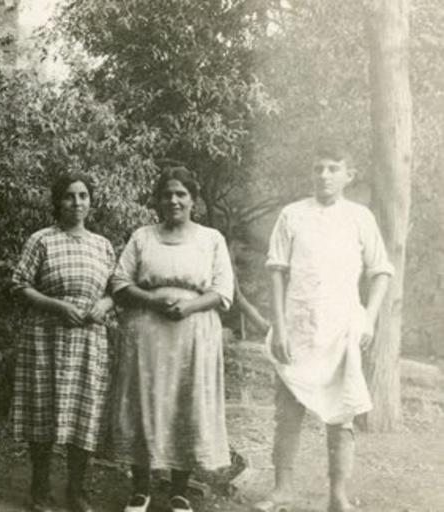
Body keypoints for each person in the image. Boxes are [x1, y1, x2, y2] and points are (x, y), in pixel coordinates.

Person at [252, 146, 392, 512]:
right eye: (318, 169)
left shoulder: (360, 217)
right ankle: (283, 489)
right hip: (297, 326)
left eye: (333, 169)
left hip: (341, 328)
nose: (324, 176)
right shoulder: (292, 214)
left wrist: (368, 318)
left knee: (341, 414)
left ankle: (337, 495)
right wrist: (280, 327)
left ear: (349, 175)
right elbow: (277, 271)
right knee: (288, 412)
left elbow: (380, 271)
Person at [110, 167, 234, 512]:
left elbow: (223, 290)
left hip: (194, 332)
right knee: (144, 403)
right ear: (158, 200)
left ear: (194, 200)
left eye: (181, 194)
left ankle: (179, 491)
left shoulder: (211, 239)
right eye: (167, 194)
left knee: (186, 402)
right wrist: (152, 300)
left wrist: (190, 305)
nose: (174, 200)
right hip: (146, 332)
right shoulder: (142, 237)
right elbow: (119, 282)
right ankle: (141, 489)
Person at [10, 174, 116, 512]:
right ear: (58, 202)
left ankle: (76, 490)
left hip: (89, 338)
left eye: (83, 195)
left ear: (91, 201)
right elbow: (19, 285)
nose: (77, 202)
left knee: (85, 410)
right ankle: (40, 489)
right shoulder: (42, 240)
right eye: (69, 196)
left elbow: (116, 289)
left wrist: (104, 305)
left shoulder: (102, 245)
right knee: (42, 407)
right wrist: (58, 306)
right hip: (46, 336)